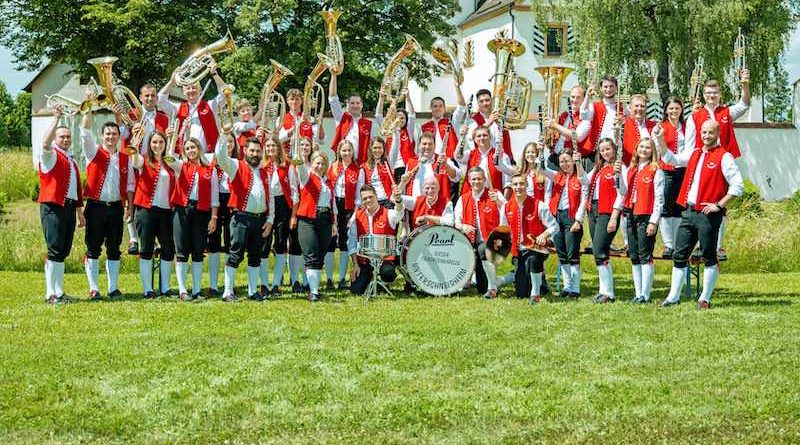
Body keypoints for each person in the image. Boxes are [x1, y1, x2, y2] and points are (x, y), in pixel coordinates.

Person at [657, 121, 743, 309]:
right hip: (688, 211)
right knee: (679, 255)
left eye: (710, 132)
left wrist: (718, 205)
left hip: (707, 215)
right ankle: (673, 297)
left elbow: (738, 186)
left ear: (717, 134)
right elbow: (672, 160)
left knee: (708, 255)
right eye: (704, 132)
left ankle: (705, 298)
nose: (706, 135)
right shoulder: (695, 153)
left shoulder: (724, 156)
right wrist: (660, 139)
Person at [684, 72, 751, 260]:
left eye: (714, 93)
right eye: (708, 93)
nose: (711, 96)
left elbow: (745, 104)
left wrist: (745, 84)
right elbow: (690, 143)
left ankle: (718, 246)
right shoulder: (695, 115)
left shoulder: (726, 112)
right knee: (699, 202)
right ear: (704, 95)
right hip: (702, 162)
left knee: (719, 204)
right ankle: (699, 244)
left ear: (720, 94)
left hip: (722, 161)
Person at [79, 108, 135, 300]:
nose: (111, 137)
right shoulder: (93, 152)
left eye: (114, 134)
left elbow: (129, 185)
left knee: (114, 247)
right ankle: (94, 288)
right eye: (108, 134)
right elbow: (85, 133)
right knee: (93, 247)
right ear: (102, 136)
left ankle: (113, 288)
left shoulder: (126, 158)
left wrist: (130, 207)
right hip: (95, 206)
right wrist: (87, 111)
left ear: (119, 136)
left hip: (116, 207)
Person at [215, 132, 275, 302]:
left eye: (258, 151)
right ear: (245, 150)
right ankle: (227, 292)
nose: (255, 154)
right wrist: (224, 134)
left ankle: (252, 291)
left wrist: (270, 220)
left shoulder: (265, 173)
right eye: (252, 151)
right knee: (236, 254)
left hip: (260, 219)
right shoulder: (235, 165)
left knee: (255, 256)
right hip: (241, 217)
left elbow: (270, 199)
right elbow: (220, 156)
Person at [38, 105, 84, 304]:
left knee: (63, 250)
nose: (65, 139)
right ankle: (51, 294)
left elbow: (75, 188)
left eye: (67, 137)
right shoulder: (51, 155)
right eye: (62, 137)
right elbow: (45, 143)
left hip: (68, 207)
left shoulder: (70, 158)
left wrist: (79, 211)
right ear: (57, 139)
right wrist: (55, 119)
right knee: (55, 249)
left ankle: (59, 291)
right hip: (53, 206)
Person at [166, 137, 219, 301]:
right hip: (182, 210)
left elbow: (214, 196)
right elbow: (169, 158)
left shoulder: (210, 170)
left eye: (193, 147)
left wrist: (214, 217)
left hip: (202, 211)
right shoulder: (181, 165)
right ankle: (183, 290)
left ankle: (196, 290)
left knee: (198, 250)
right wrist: (172, 136)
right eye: (187, 148)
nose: (190, 151)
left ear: (199, 148)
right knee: (181, 250)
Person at [124, 83, 170, 255]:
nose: (150, 99)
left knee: (153, 198)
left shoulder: (164, 118)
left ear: (157, 98)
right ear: (140, 98)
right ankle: (133, 238)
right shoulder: (132, 114)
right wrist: (131, 131)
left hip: (155, 162)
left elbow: (166, 142)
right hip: (135, 159)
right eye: (146, 96)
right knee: (132, 195)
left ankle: (154, 237)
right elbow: (120, 135)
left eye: (153, 96)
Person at [499, 174, 558, 303]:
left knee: (533, 258)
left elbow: (555, 226)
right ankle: (540, 283)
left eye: (521, 184)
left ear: (527, 185)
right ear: (512, 186)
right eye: (515, 184)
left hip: (537, 247)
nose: (518, 187)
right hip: (518, 250)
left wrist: (543, 235)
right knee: (521, 293)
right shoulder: (506, 207)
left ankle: (535, 294)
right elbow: (503, 229)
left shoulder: (539, 205)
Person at [130, 131, 176, 298]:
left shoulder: (169, 161)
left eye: (161, 142)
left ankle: (165, 287)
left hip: (165, 211)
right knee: (146, 249)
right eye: (154, 142)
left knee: (168, 249)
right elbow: (135, 161)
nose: (157, 145)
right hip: (145, 210)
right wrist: (135, 143)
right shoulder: (143, 159)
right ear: (150, 144)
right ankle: (148, 288)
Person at [619, 137, 663, 303]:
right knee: (635, 255)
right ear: (636, 149)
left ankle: (645, 294)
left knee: (645, 255)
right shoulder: (631, 169)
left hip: (646, 215)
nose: (644, 150)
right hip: (630, 213)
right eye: (641, 147)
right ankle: (638, 293)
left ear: (652, 151)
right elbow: (623, 191)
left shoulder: (655, 170)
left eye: (648, 148)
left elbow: (659, 198)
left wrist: (654, 221)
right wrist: (618, 177)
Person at [543, 151, 588, 300]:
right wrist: (541, 150)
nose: (564, 164)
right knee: (562, 254)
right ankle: (567, 286)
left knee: (572, 254)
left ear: (573, 161)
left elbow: (583, 200)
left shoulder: (580, 177)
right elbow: (542, 168)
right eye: (562, 161)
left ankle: (575, 288)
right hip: (558, 216)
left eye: (567, 160)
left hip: (571, 217)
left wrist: (578, 220)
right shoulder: (558, 176)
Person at [582, 139, 623, 300]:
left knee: (599, 249)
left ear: (614, 150)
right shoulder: (599, 168)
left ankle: (609, 293)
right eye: (603, 150)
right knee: (600, 252)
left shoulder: (618, 168)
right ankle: (603, 290)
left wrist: (614, 216)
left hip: (607, 212)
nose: (606, 153)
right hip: (594, 211)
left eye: (608, 149)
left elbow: (621, 194)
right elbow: (584, 180)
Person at [453, 167, 502, 299]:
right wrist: (463, 226)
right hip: (470, 242)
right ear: (469, 180)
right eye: (473, 179)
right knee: (481, 287)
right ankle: (458, 282)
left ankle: (493, 288)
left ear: (484, 179)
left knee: (482, 248)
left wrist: (498, 202)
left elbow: (509, 214)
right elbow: (455, 222)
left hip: (493, 242)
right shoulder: (463, 199)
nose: (476, 182)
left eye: (479, 179)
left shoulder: (494, 194)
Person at [347, 185, 405, 295]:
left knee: (388, 273)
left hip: (385, 259)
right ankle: (371, 280)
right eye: (364, 198)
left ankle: (382, 281)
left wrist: (398, 201)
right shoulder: (357, 216)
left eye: (370, 197)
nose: (368, 200)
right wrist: (355, 265)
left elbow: (399, 213)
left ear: (376, 197)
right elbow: (352, 241)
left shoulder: (388, 213)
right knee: (356, 290)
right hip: (365, 260)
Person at [295, 151, 337, 301]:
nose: (320, 166)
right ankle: (313, 292)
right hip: (308, 219)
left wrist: (334, 223)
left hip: (325, 220)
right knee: (311, 255)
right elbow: (299, 166)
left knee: (321, 254)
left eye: (323, 163)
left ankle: (315, 288)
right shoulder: (306, 177)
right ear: (312, 163)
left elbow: (333, 204)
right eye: (317, 163)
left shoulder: (328, 181)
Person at [158, 61, 227, 153]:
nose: (191, 90)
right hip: (185, 156)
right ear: (183, 91)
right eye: (187, 88)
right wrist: (172, 82)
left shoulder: (210, 105)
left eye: (194, 87)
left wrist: (215, 74)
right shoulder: (177, 108)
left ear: (201, 90)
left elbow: (226, 94)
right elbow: (160, 99)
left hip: (207, 155)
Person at [260, 135, 297, 295]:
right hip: (266, 205)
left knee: (281, 244)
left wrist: (293, 214)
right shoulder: (262, 166)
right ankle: (263, 283)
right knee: (263, 245)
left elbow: (295, 190)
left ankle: (276, 283)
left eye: (273, 146)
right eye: (267, 146)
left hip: (283, 206)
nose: (270, 149)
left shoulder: (287, 165)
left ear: (278, 147)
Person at [324, 140, 363, 289]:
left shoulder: (358, 170)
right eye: (344, 150)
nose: (346, 154)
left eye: (349, 150)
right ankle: (328, 278)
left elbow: (359, 195)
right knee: (330, 241)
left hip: (348, 208)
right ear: (339, 152)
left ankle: (341, 278)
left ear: (353, 152)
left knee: (345, 242)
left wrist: (354, 214)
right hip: (333, 205)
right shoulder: (332, 167)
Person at [207, 132, 237, 296]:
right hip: (215, 202)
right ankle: (213, 285)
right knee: (213, 243)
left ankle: (228, 285)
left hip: (232, 203)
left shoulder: (238, 162)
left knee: (230, 243)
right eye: (225, 141)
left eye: (231, 141)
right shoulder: (211, 159)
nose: (228, 144)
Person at [658, 97, 688, 258]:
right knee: (666, 206)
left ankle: (676, 244)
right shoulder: (661, 127)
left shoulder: (686, 127)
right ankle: (668, 244)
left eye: (677, 108)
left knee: (678, 207)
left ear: (681, 110)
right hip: (666, 169)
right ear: (666, 110)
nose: (674, 111)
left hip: (683, 169)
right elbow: (657, 149)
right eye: (671, 108)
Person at [329, 72, 376, 164]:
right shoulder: (341, 117)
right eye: (352, 103)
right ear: (347, 105)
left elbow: (372, 146)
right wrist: (333, 75)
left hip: (362, 165)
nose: (355, 106)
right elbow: (333, 98)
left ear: (362, 105)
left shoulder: (369, 124)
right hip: (342, 163)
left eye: (358, 103)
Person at [399, 132, 460, 200]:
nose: (427, 147)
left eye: (430, 144)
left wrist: (446, 165)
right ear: (419, 145)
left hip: (438, 205)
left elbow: (456, 177)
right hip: (415, 206)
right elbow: (404, 187)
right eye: (424, 144)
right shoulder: (411, 162)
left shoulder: (444, 160)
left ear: (435, 146)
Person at [457, 125, 514, 195]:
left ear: (490, 137)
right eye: (479, 136)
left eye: (484, 135)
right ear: (474, 139)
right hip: (472, 197)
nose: (482, 138)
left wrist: (504, 203)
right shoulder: (469, 154)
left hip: (493, 198)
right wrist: (462, 137)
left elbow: (507, 183)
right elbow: (458, 157)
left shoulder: (502, 156)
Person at [579, 76, 623, 163]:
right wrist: (587, 96)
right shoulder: (594, 106)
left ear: (616, 88)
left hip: (615, 151)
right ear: (601, 88)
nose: (608, 89)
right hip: (596, 152)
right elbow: (583, 115)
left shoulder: (622, 107)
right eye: (605, 87)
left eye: (611, 86)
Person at [543, 85, 587, 169]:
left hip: (570, 161)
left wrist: (555, 125)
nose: (574, 100)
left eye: (578, 97)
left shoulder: (584, 117)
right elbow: (554, 134)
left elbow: (575, 136)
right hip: (555, 157)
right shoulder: (564, 115)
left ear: (584, 99)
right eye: (572, 97)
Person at [466, 88, 515, 163]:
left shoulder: (501, 116)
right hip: (483, 160)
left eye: (487, 100)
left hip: (504, 158)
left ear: (491, 101)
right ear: (478, 103)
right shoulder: (473, 119)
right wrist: (489, 122)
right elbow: (471, 136)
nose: (485, 103)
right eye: (481, 101)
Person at [277, 88, 319, 155]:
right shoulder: (281, 119)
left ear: (301, 101)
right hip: (287, 156)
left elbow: (319, 139)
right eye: (292, 99)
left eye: (297, 99)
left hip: (306, 156)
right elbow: (279, 138)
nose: (294, 102)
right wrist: (297, 125)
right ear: (287, 101)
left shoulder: (310, 119)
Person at [360, 137, 397, 208]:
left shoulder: (388, 162)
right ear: (370, 149)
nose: (377, 150)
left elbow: (394, 148)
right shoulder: (364, 167)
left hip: (388, 202)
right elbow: (361, 188)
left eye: (380, 148)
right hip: (373, 203)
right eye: (375, 148)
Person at [620, 94, 657, 165]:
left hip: (648, 167)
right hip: (628, 166)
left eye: (642, 106)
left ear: (646, 108)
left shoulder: (653, 125)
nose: (639, 109)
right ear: (630, 107)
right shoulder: (623, 123)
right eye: (636, 106)